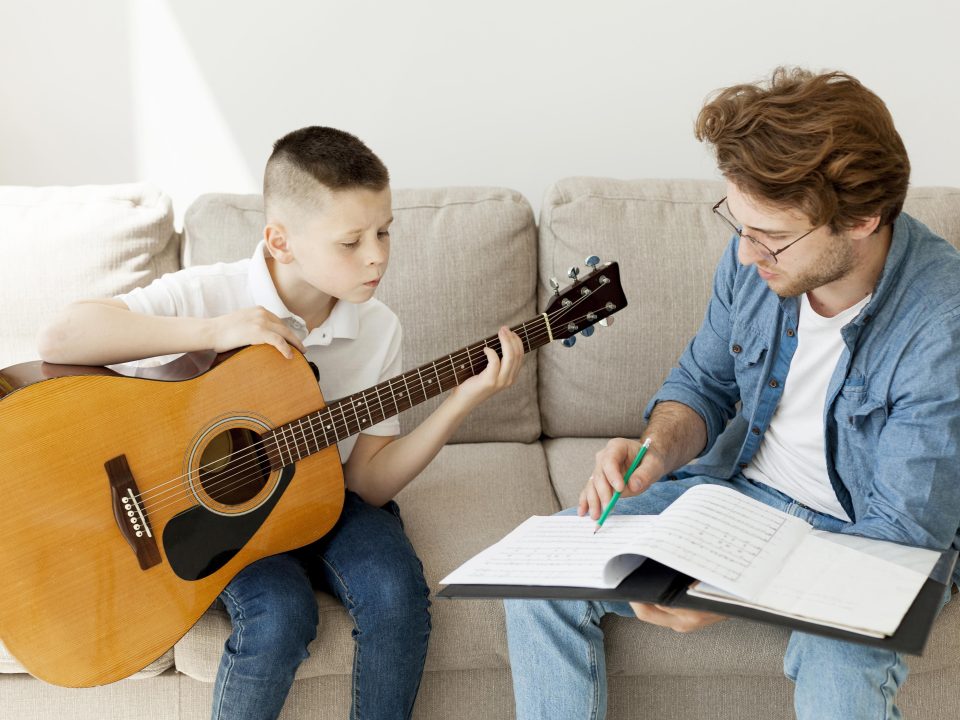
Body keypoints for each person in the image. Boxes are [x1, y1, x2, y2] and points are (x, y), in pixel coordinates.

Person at [504, 67, 960, 720]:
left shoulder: (943, 323)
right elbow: (703, 384)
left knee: (835, 659)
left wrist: (728, 586)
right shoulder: (753, 259)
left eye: (770, 236)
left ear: (862, 217)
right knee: (539, 579)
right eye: (738, 225)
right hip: (743, 496)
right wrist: (655, 451)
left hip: (872, 539)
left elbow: (901, 535)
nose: (745, 255)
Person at [37, 126, 524, 720]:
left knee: (397, 598)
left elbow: (365, 484)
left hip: (330, 496)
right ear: (280, 241)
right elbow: (62, 336)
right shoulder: (213, 292)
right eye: (351, 241)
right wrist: (213, 332)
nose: (377, 255)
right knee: (281, 614)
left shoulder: (379, 327)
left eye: (384, 231)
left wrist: (460, 401)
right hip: (213, 519)